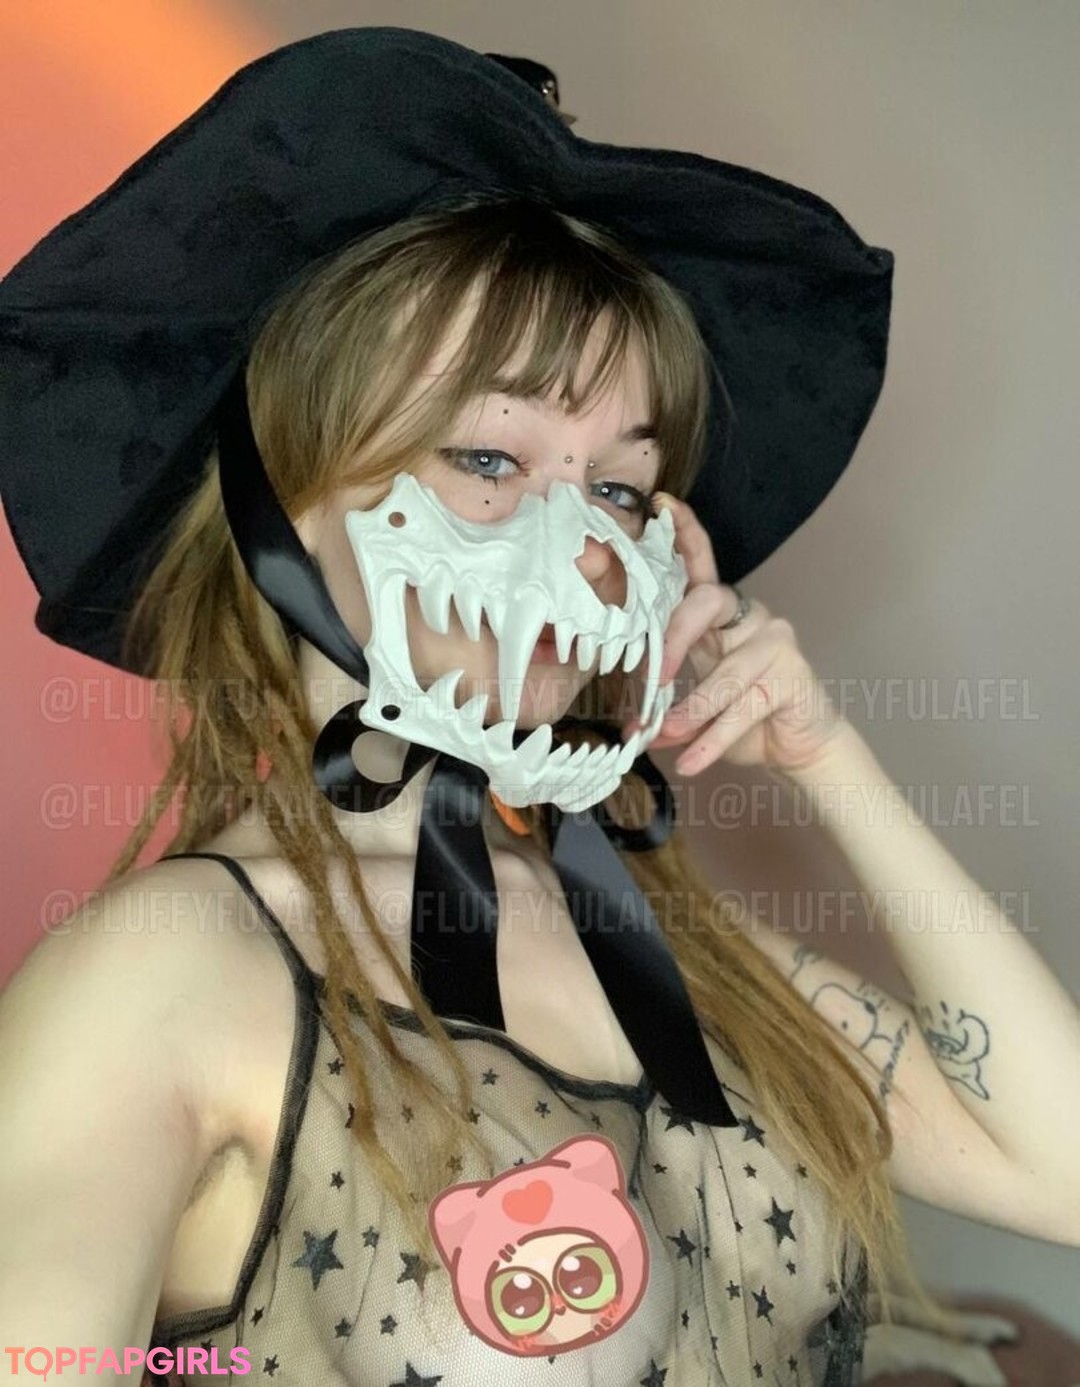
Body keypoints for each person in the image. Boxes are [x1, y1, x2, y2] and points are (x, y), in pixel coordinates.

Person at [4, 28, 1076, 1387]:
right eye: (490, 457)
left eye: (619, 488)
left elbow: (1061, 1170)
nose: (579, 544)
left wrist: (829, 759)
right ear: (284, 503)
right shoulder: (160, 972)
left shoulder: (668, 948)